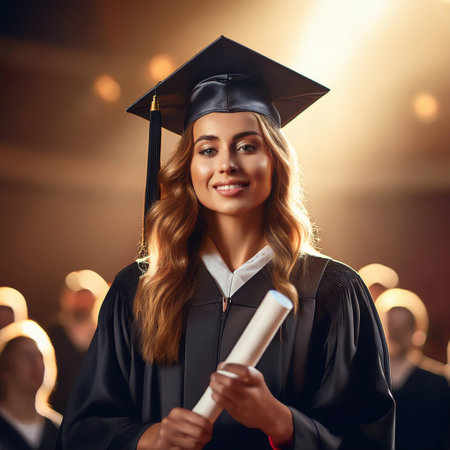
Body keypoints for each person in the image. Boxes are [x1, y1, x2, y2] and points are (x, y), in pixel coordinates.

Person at [58, 36, 395, 449]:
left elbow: (369, 438)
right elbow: (80, 432)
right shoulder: (138, 290)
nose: (227, 164)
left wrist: (282, 422)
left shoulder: (331, 291)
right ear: (189, 167)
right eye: (208, 148)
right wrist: (149, 438)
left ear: (275, 161)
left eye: (248, 146)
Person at [377, 290, 450, 450]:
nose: (396, 333)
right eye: (392, 326)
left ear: (415, 330)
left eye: (402, 327)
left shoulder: (436, 382)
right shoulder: (369, 378)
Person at [47, 269, 109, 414]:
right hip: (59, 414)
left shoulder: (107, 335)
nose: (83, 303)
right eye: (78, 297)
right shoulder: (53, 335)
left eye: (87, 297)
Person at [0, 320, 60, 449]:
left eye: (40, 356)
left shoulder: (60, 432)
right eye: (26, 356)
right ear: (5, 367)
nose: (36, 363)